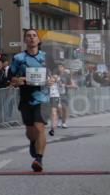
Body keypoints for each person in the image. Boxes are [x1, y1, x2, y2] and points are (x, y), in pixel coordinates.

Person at [7, 28, 49, 172]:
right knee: (31, 131)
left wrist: (53, 79)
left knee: (40, 127)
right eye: (28, 36)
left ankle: (39, 159)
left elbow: (56, 73)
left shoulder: (46, 57)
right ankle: (33, 141)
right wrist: (17, 80)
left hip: (43, 98)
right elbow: (10, 77)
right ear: (25, 40)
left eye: (34, 36)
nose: (31, 38)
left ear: (38, 39)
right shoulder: (18, 58)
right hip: (26, 98)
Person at [57, 63, 74, 128]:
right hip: (56, 94)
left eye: (61, 67)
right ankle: (59, 119)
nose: (59, 68)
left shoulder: (67, 75)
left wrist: (65, 85)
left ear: (63, 68)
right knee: (58, 108)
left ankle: (64, 122)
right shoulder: (55, 75)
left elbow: (72, 85)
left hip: (64, 94)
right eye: (58, 67)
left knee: (64, 108)